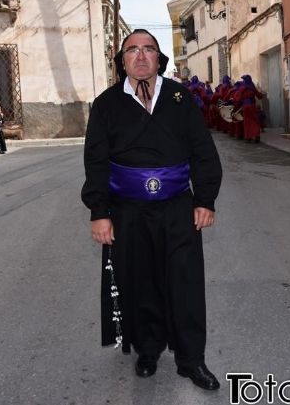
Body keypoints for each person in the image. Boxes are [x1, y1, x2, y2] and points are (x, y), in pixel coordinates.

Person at [81, 29, 223, 391]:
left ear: (159, 58)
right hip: (127, 211)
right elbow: (96, 161)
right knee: (139, 281)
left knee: (185, 283)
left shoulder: (181, 98)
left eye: (149, 49)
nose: (141, 56)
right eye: (132, 50)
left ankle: (192, 360)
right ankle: (147, 350)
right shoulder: (107, 104)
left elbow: (202, 151)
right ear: (122, 60)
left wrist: (204, 199)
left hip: (178, 208)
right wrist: (100, 211)